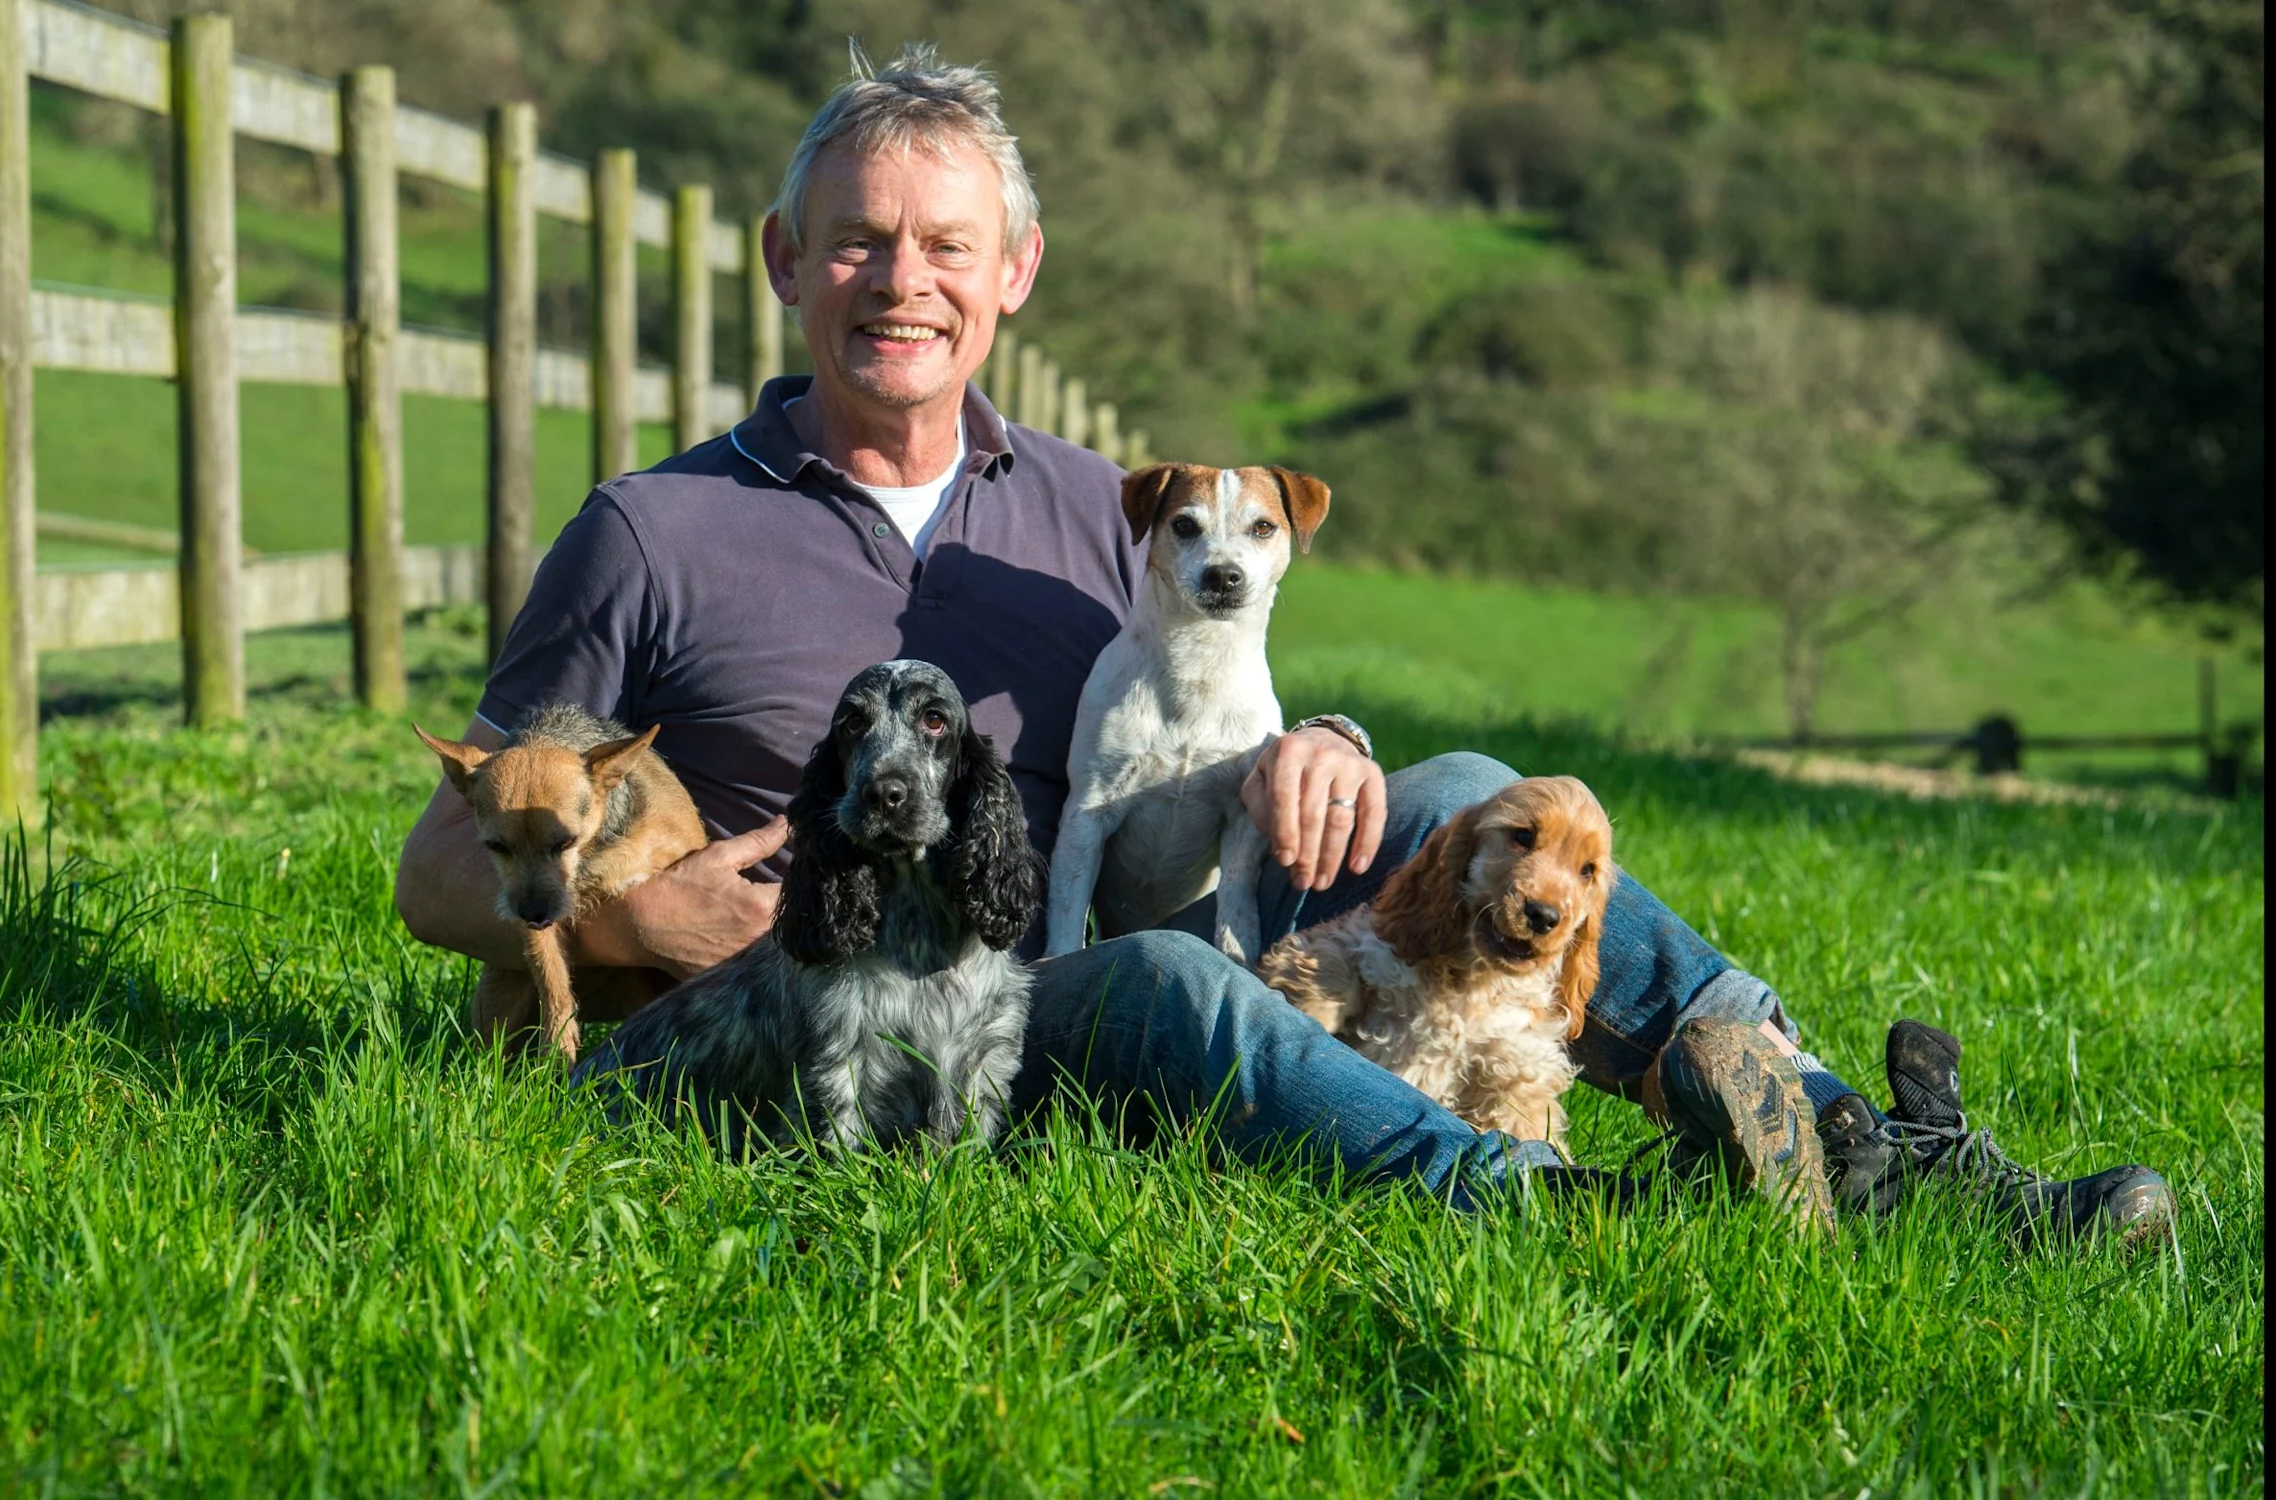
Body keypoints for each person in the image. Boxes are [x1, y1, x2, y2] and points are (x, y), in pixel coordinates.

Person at [394, 45, 2171, 1244]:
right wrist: (626, 915)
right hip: (885, 1014)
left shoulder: (1104, 500)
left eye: (945, 243)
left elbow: (1202, 708)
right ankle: (1536, 1207)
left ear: (1014, 270)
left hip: (1118, 893)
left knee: (1471, 791)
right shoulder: (658, 527)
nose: (899, 279)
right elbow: (436, 864)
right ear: (786, 259)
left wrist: (1311, 739)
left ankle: (1863, 1149)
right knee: (1167, 988)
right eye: (857, 241)